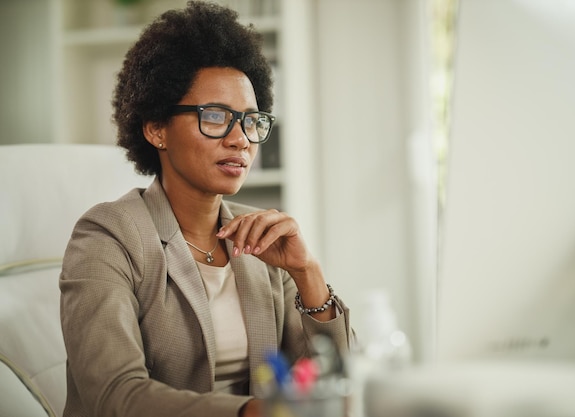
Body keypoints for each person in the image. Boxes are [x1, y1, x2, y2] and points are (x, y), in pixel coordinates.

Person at [59, 2, 354, 416]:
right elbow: (115, 397)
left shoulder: (262, 237)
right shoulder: (107, 236)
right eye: (215, 116)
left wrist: (308, 273)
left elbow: (338, 382)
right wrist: (252, 412)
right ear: (156, 129)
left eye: (251, 121)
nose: (241, 140)